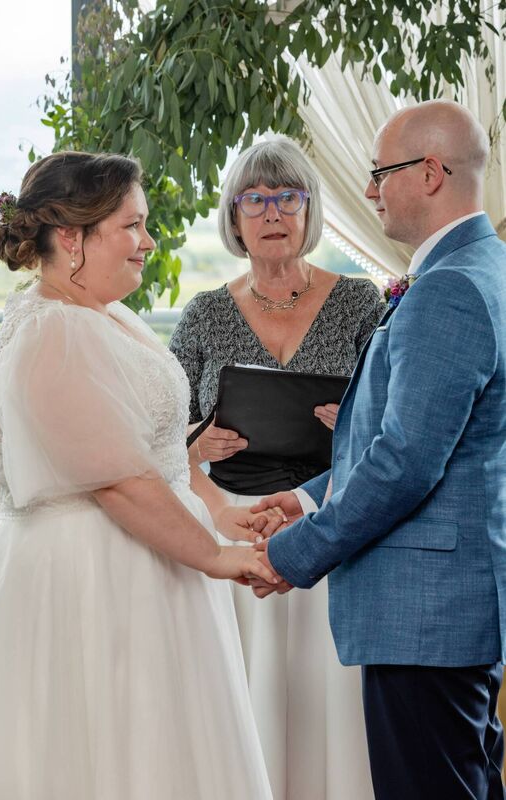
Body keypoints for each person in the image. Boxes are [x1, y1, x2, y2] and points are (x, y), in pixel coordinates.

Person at [0, 151, 277, 799]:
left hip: (146, 560)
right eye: (132, 227)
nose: (148, 242)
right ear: (71, 239)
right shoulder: (54, 332)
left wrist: (222, 516)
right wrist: (215, 556)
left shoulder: (99, 315)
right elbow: (114, 480)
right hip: (89, 581)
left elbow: (153, 451)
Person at [252, 100, 506, 800]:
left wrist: (293, 552)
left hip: (426, 617)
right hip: (447, 608)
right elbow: (422, 441)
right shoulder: (484, 266)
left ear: (429, 173)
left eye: (378, 173)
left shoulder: (448, 288)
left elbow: (404, 463)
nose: (368, 192)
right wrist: (309, 495)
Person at [170, 137, 384, 800]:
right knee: (242, 696)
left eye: (287, 197)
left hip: (328, 519)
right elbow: (157, 433)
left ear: (308, 210)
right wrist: (193, 447)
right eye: (255, 199)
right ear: (234, 217)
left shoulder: (359, 302)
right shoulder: (204, 312)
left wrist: (347, 423)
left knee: (326, 700)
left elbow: (394, 418)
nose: (272, 212)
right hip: (231, 523)